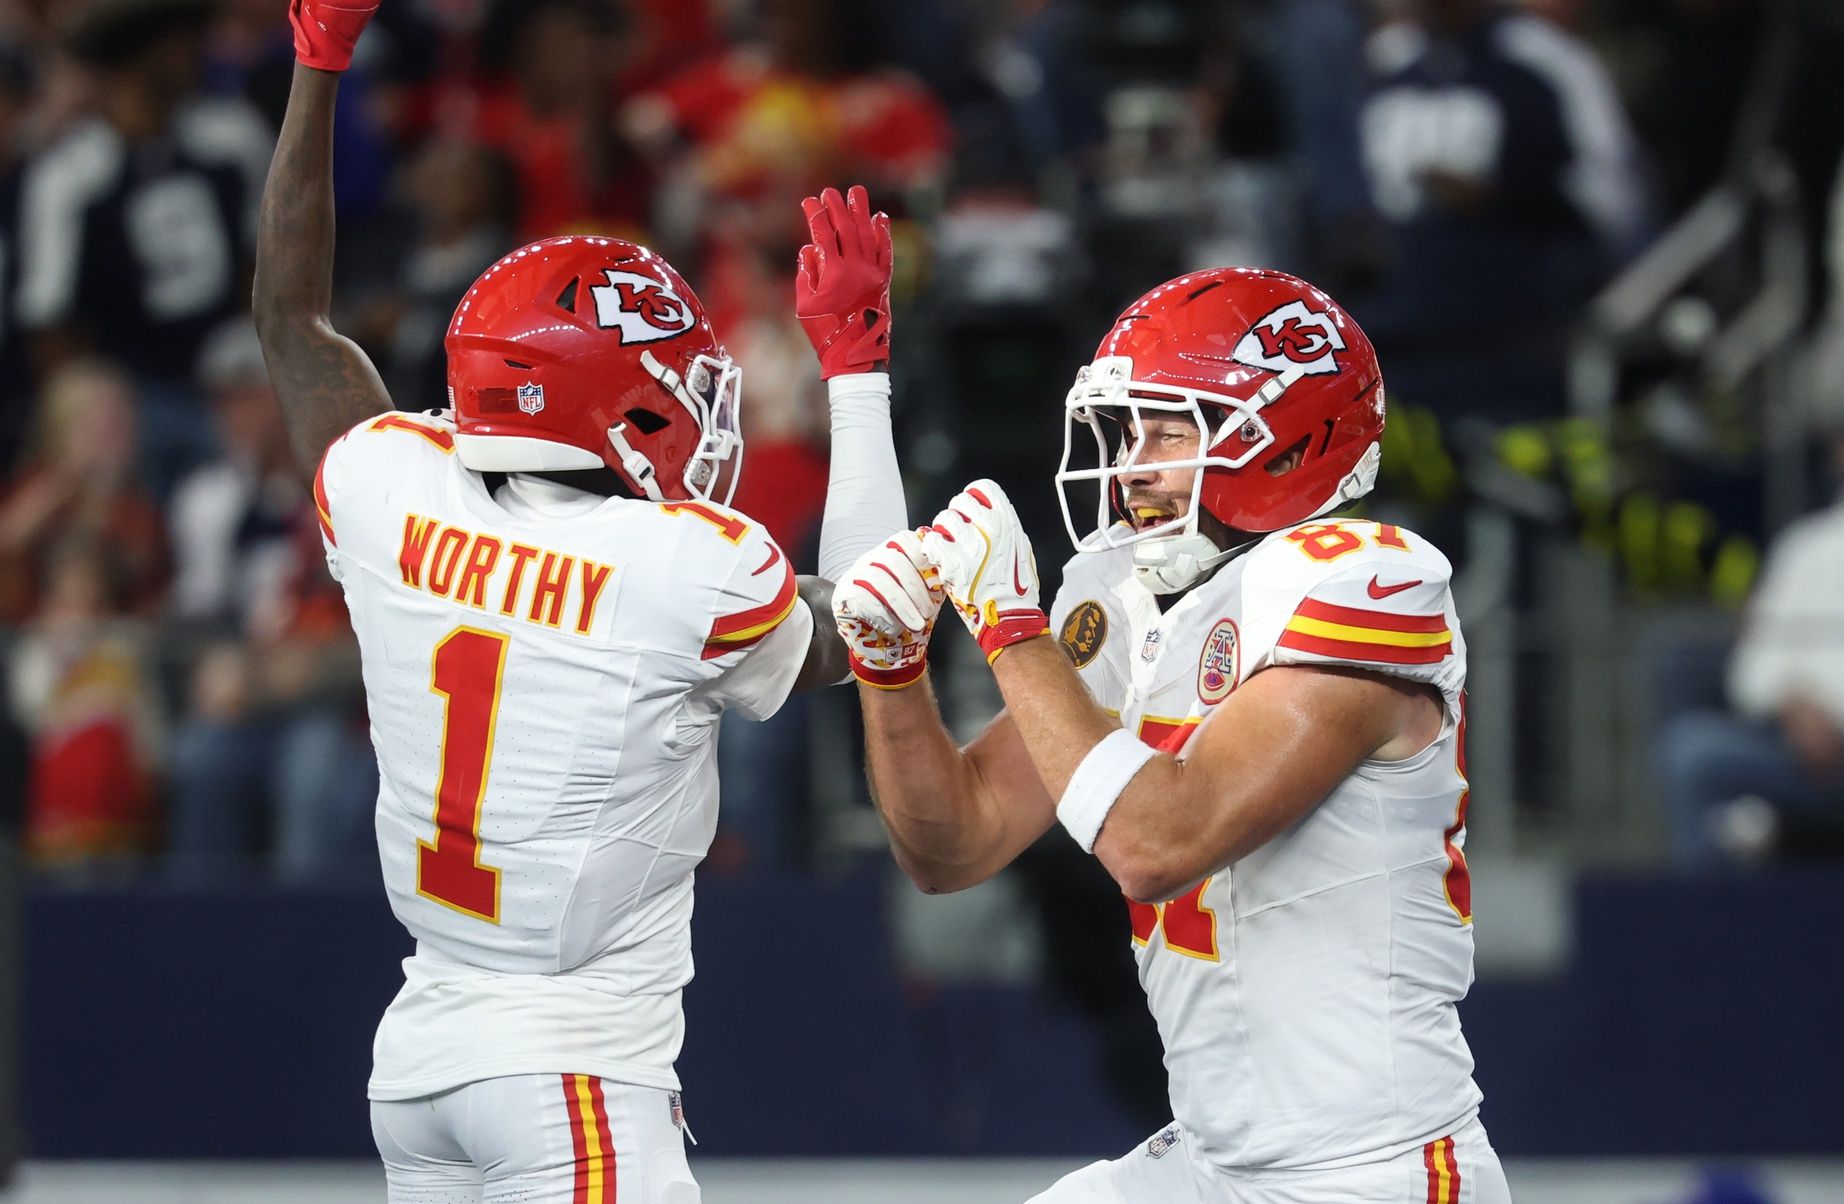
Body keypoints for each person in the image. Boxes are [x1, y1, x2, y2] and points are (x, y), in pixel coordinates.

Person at [254, 4, 903, 1200]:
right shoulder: (678, 565)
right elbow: (875, 623)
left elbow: (293, 327)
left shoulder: (391, 483)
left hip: (418, 1055)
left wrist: (317, 66)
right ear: (610, 405)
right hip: (569, 1078)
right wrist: (855, 377)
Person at [832, 268, 1513, 1202]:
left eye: (1171, 428)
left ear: (1288, 437)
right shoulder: (1127, 591)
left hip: (1368, 1172)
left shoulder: (1364, 578)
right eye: (1125, 430)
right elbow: (954, 844)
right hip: (1212, 1160)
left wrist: (1011, 629)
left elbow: (1159, 842)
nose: (1131, 464)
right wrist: (892, 672)